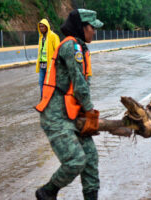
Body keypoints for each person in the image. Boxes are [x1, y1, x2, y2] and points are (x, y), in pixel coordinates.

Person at [34, 9, 103, 200]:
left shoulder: (80, 47)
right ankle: (47, 192)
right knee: (75, 161)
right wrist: (90, 111)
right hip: (56, 116)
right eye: (91, 28)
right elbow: (79, 84)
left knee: (90, 160)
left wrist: (85, 112)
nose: (94, 32)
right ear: (82, 28)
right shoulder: (70, 47)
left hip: (72, 114)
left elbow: (80, 87)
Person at [36, 19, 60, 97]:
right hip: (42, 64)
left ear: (47, 27)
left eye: (43, 26)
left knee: (50, 83)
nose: (41, 28)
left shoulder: (53, 36)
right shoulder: (41, 38)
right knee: (41, 82)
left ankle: (50, 99)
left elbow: (58, 50)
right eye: (40, 27)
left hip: (50, 65)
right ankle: (43, 100)